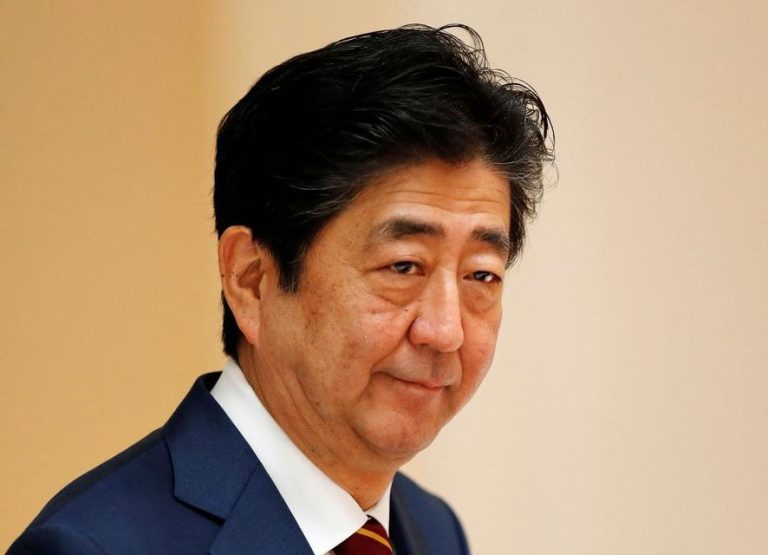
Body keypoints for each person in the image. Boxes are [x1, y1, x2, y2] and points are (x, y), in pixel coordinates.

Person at [10, 24, 552, 554]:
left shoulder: (434, 530)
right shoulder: (90, 546)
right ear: (252, 280)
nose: (445, 331)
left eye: (481, 275)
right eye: (403, 266)